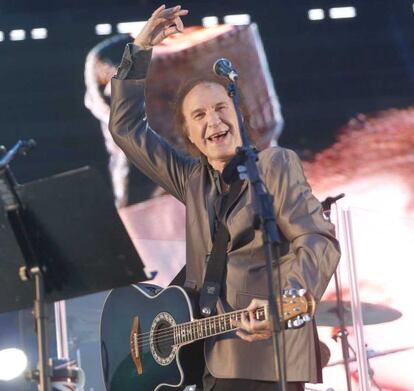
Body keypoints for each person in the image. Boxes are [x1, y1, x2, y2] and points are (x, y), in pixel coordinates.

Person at [109, 4, 340, 390]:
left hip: (265, 354)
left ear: (240, 116)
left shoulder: (274, 165)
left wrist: (288, 298)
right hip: (208, 358)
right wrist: (140, 50)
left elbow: (317, 238)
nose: (213, 121)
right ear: (189, 135)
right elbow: (126, 127)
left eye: (220, 108)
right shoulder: (191, 179)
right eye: (198, 115)